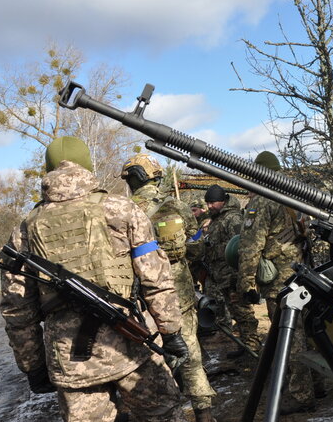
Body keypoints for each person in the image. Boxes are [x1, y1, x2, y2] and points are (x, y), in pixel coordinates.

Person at [0, 136, 189, 422]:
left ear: (48, 170)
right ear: (88, 165)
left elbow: (17, 308)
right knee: (163, 416)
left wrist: (32, 364)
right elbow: (156, 278)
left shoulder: (25, 228)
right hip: (132, 346)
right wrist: (172, 332)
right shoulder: (122, 209)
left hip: (71, 359)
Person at [121, 154, 217, 422]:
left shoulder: (122, 210)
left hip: (141, 297)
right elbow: (196, 249)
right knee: (191, 354)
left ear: (132, 180)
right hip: (180, 294)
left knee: (152, 360)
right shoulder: (175, 205)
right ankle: (204, 413)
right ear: (154, 176)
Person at [237, 150, 318, 414]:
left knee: (289, 337)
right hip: (303, 273)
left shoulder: (262, 201)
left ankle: (301, 395)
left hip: (279, 281)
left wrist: (246, 284)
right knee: (309, 332)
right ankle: (317, 383)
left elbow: (250, 247)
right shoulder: (295, 193)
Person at [201, 183, 260, 356]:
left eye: (212, 202)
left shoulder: (233, 218)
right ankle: (245, 344)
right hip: (221, 275)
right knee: (235, 312)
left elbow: (240, 245)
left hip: (233, 274)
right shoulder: (217, 218)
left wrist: (214, 248)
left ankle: (253, 346)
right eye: (208, 203)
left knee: (243, 312)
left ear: (222, 201)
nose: (209, 206)